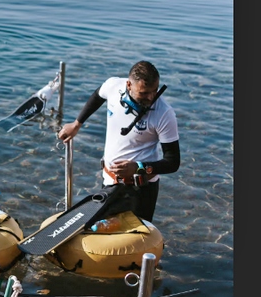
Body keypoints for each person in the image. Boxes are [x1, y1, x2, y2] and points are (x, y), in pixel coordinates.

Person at [57, 60, 180, 222]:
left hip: (141, 189)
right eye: (143, 93)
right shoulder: (113, 86)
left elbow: (173, 162)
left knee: (134, 242)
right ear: (129, 85)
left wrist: (139, 168)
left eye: (154, 91)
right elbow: (97, 96)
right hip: (109, 181)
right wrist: (77, 123)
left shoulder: (164, 113)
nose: (150, 98)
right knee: (102, 233)